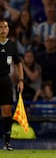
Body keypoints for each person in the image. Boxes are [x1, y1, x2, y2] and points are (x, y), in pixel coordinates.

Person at [0, 18, 24, 151]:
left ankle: (7, 143)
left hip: (5, 80)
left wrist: (21, 80)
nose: (3, 29)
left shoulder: (12, 45)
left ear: (8, 29)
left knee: (7, 112)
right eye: (1, 27)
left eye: (5, 27)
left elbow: (18, 63)